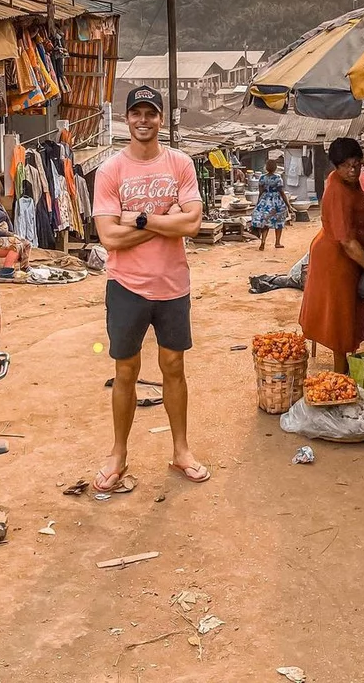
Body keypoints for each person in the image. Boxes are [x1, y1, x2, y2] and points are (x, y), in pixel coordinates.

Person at [93, 86, 207, 491]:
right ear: (127, 119)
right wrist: (164, 218)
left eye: (151, 113)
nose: (144, 120)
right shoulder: (110, 170)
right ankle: (118, 454)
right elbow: (109, 238)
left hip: (173, 285)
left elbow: (192, 225)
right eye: (137, 113)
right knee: (126, 371)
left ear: (161, 118)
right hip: (126, 286)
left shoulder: (180, 164)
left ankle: (181, 451)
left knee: (174, 367)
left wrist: (139, 218)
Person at [299, 138, 364, 375]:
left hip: (347, 257)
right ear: (336, 166)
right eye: (346, 165)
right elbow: (346, 241)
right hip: (336, 259)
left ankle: (344, 370)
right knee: (339, 316)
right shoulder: (336, 189)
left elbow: (358, 207)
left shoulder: (352, 182)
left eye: (357, 164)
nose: (353, 170)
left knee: (348, 312)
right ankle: (340, 375)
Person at [0, 181, 31, 271]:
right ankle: (7, 270)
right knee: (16, 244)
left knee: (26, 243)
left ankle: (24, 267)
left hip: (6, 235)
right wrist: (5, 233)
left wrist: (12, 233)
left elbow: (7, 219)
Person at [250, 158, 292, 251]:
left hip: (265, 201)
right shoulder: (278, 178)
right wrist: (288, 205)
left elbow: (260, 192)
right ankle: (277, 242)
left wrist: (258, 203)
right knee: (279, 223)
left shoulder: (262, 177)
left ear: (266, 167)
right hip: (277, 202)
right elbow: (281, 192)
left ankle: (263, 241)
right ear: (275, 168)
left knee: (266, 223)